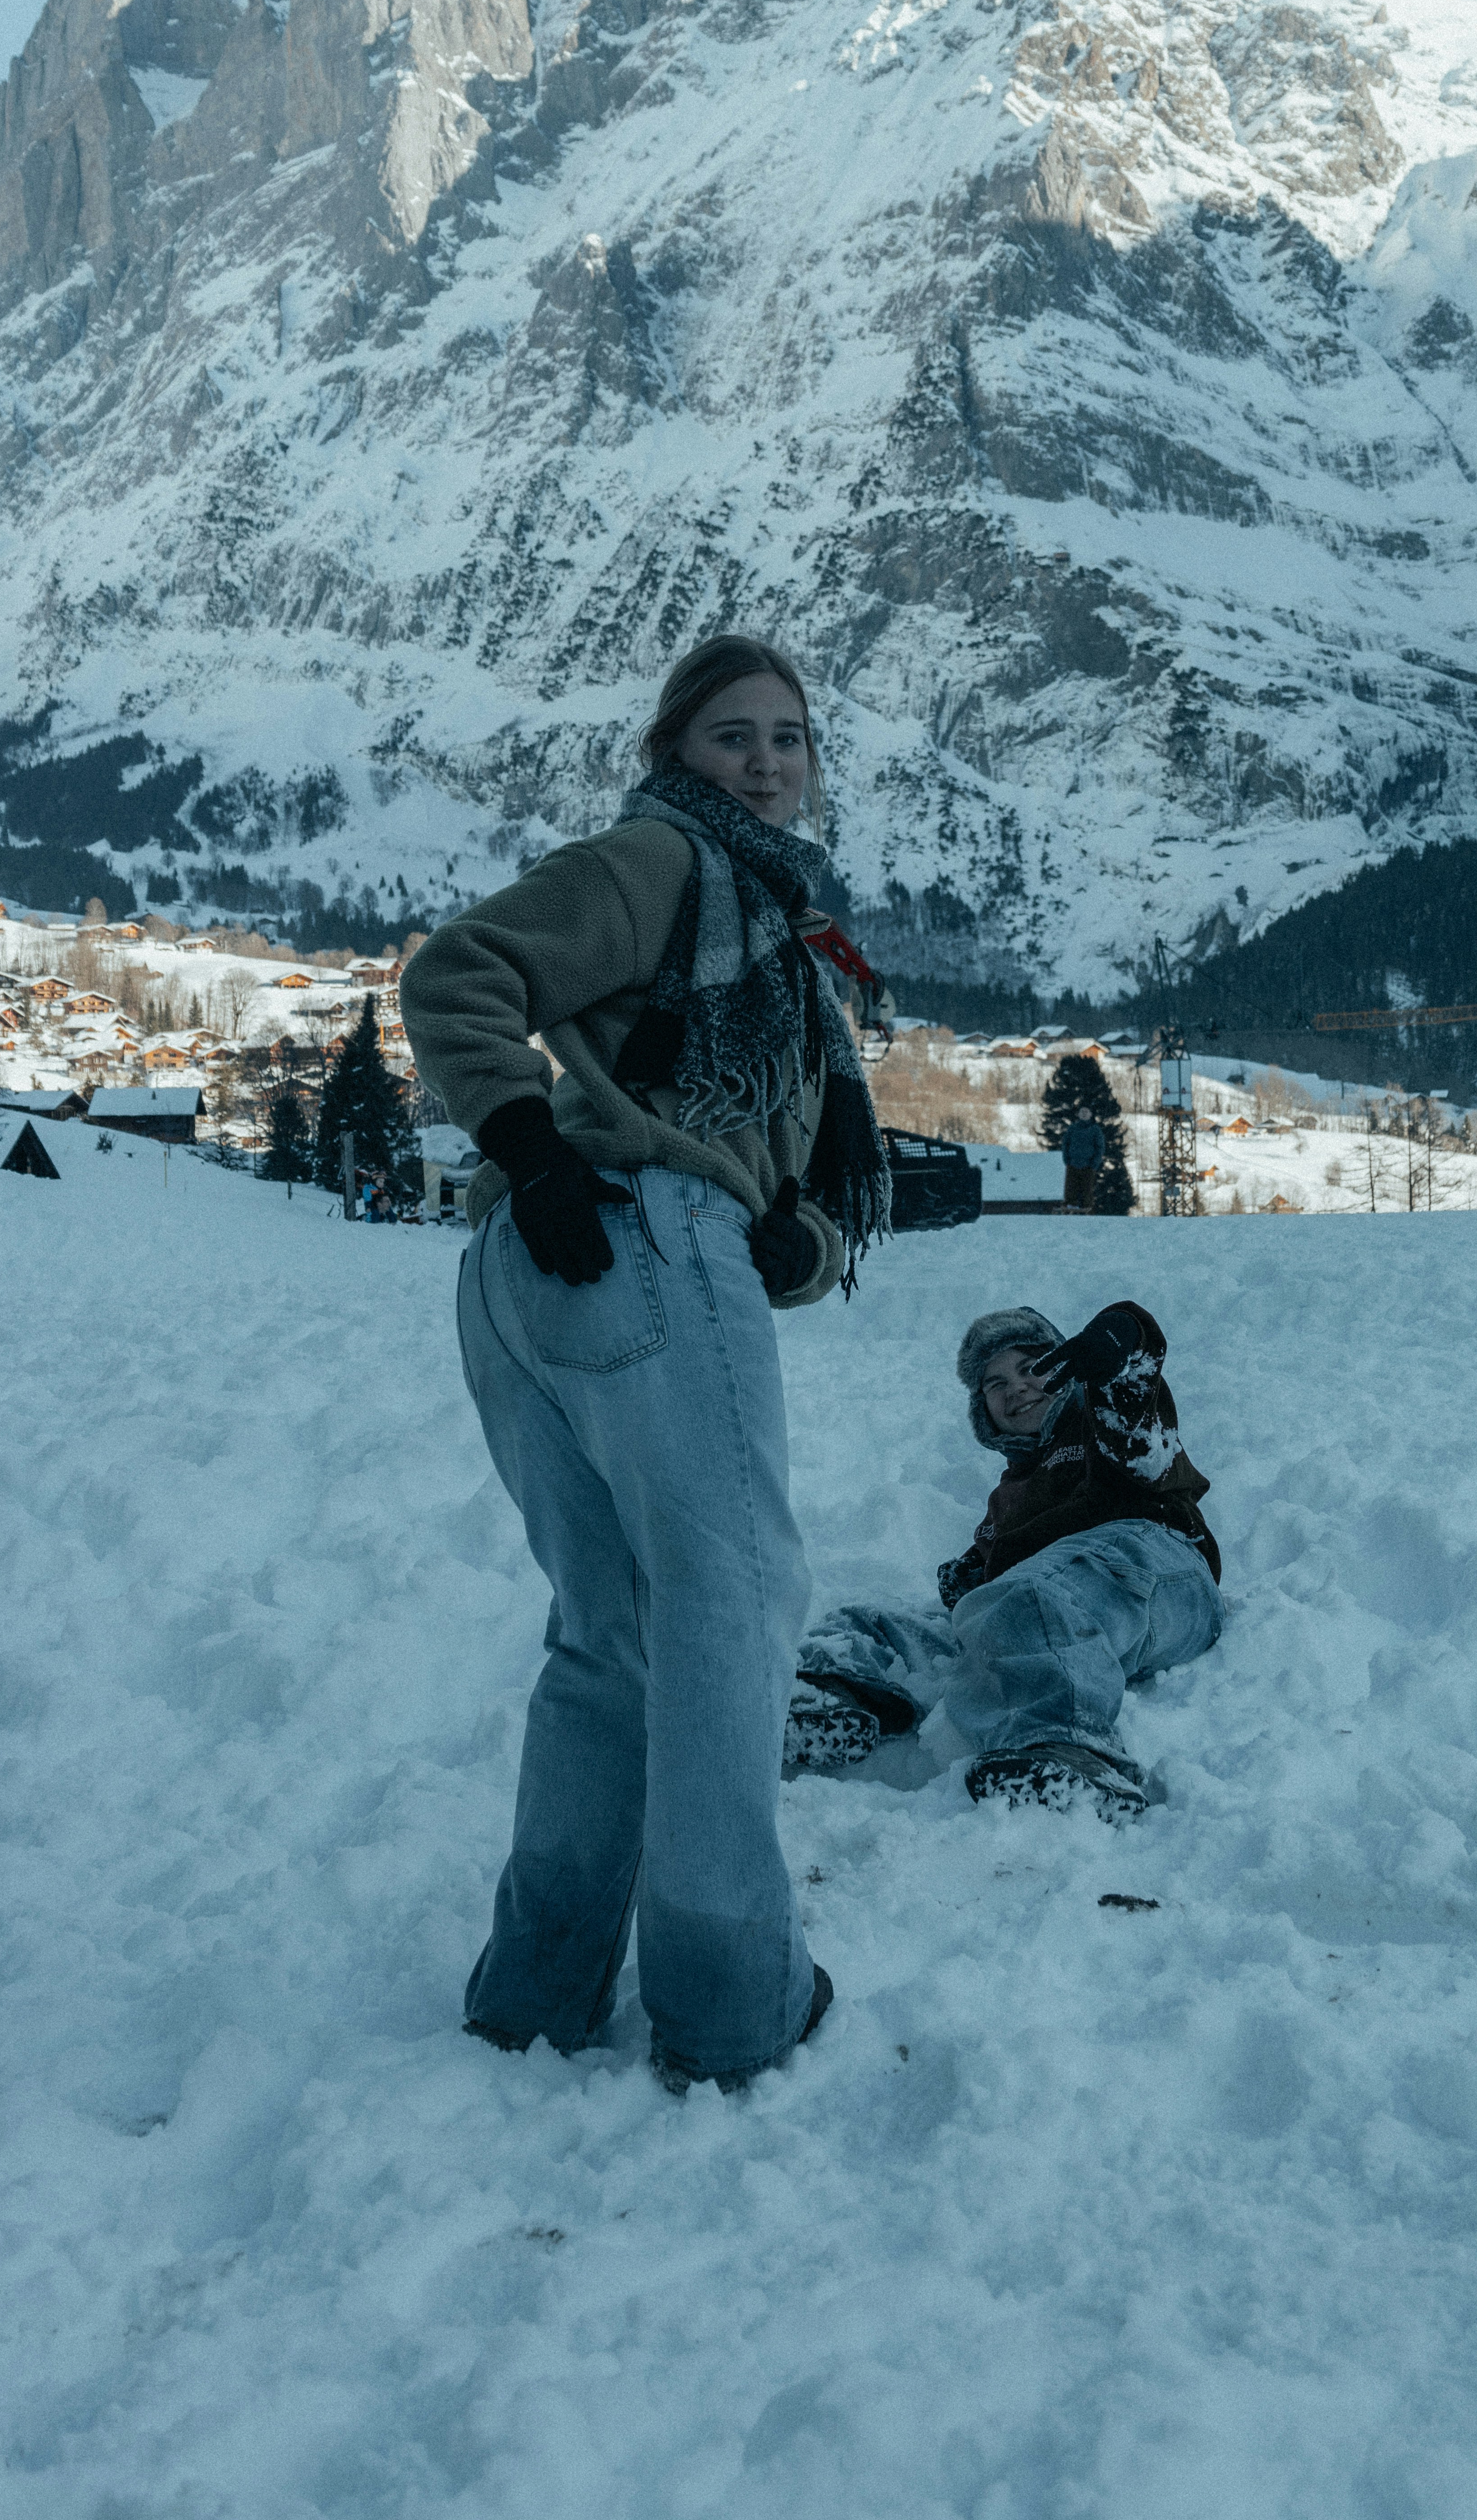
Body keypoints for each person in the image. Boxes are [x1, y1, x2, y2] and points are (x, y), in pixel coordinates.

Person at [399, 635, 892, 2092]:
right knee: (732, 1614)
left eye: (790, 738)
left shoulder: (771, 927)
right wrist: (533, 1145)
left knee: (610, 1634)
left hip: (542, 1284)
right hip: (630, 1244)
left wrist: (784, 1236)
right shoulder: (673, 867)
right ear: (678, 753)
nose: (766, 761)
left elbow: (734, 1147)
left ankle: (541, 1988)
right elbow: (460, 975)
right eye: (733, 736)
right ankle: (734, 2000)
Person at [785, 1301, 1221, 1821]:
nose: (1015, 1387)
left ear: (1067, 1366)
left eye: (1031, 1368)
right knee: (877, 1620)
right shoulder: (1007, 1498)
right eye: (994, 1384)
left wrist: (1121, 1358)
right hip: (1049, 1600)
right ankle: (829, 1701)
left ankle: (1069, 1749)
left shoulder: (1098, 1419)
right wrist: (971, 1572)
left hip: (1158, 1572)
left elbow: (1139, 1430)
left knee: (1031, 1596)